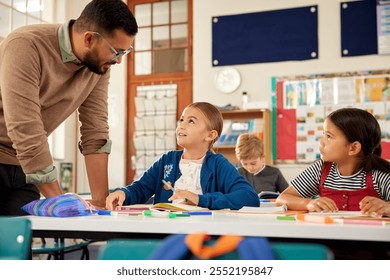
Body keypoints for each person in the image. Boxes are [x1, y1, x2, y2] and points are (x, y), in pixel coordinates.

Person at [0, 0, 138, 216]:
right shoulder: (26, 45)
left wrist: (101, 206)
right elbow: (26, 129)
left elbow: (95, 132)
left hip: (22, 167)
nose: (118, 61)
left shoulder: (99, 66)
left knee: (18, 244)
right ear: (89, 39)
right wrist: (60, 203)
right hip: (20, 151)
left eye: (124, 53)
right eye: (116, 52)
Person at [106, 102, 260, 210]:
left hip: (201, 232)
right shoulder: (167, 161)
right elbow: (140, 188)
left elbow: (249, 197)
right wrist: (123, 193)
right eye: (181, 120)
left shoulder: (217, 164)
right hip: (165, 230)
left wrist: (200, 200)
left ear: (210, 135)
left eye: (191, 121)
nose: (181, 125)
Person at [276, 108, 390, 217]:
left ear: (353, 148)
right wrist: (308, 203)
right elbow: (282, 198)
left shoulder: (378, 175)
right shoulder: (320, 169)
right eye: (323, 134)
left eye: (329, 136)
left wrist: (386, 207)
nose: (321, 142)